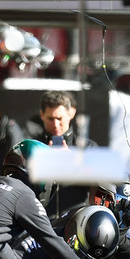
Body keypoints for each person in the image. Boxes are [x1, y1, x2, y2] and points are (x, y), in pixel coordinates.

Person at [30, 90, 97, 218]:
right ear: (42, 115)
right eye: (51, 118)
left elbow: (100, 181)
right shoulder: (32, 145)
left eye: (59, 118)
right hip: (40, 222)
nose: (56, 124)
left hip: (74, 221)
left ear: (70, 113)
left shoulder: (87, 147)